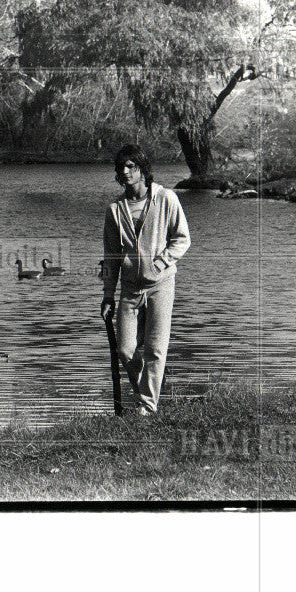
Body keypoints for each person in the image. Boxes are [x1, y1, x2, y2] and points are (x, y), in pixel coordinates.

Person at [100, 145, 190, 415]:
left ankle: (147, 408)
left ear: (142, 169)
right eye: (121, 168)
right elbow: (111, 256)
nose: (125, 172)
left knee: (155, 349)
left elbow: (182, 239)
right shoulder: (115, 209)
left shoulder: (166, 199)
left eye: (131, 166)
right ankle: (145, 394)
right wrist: (107, 295)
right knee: (126, 350)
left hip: (161, 285)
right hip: (129, 288)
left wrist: (160, 263)